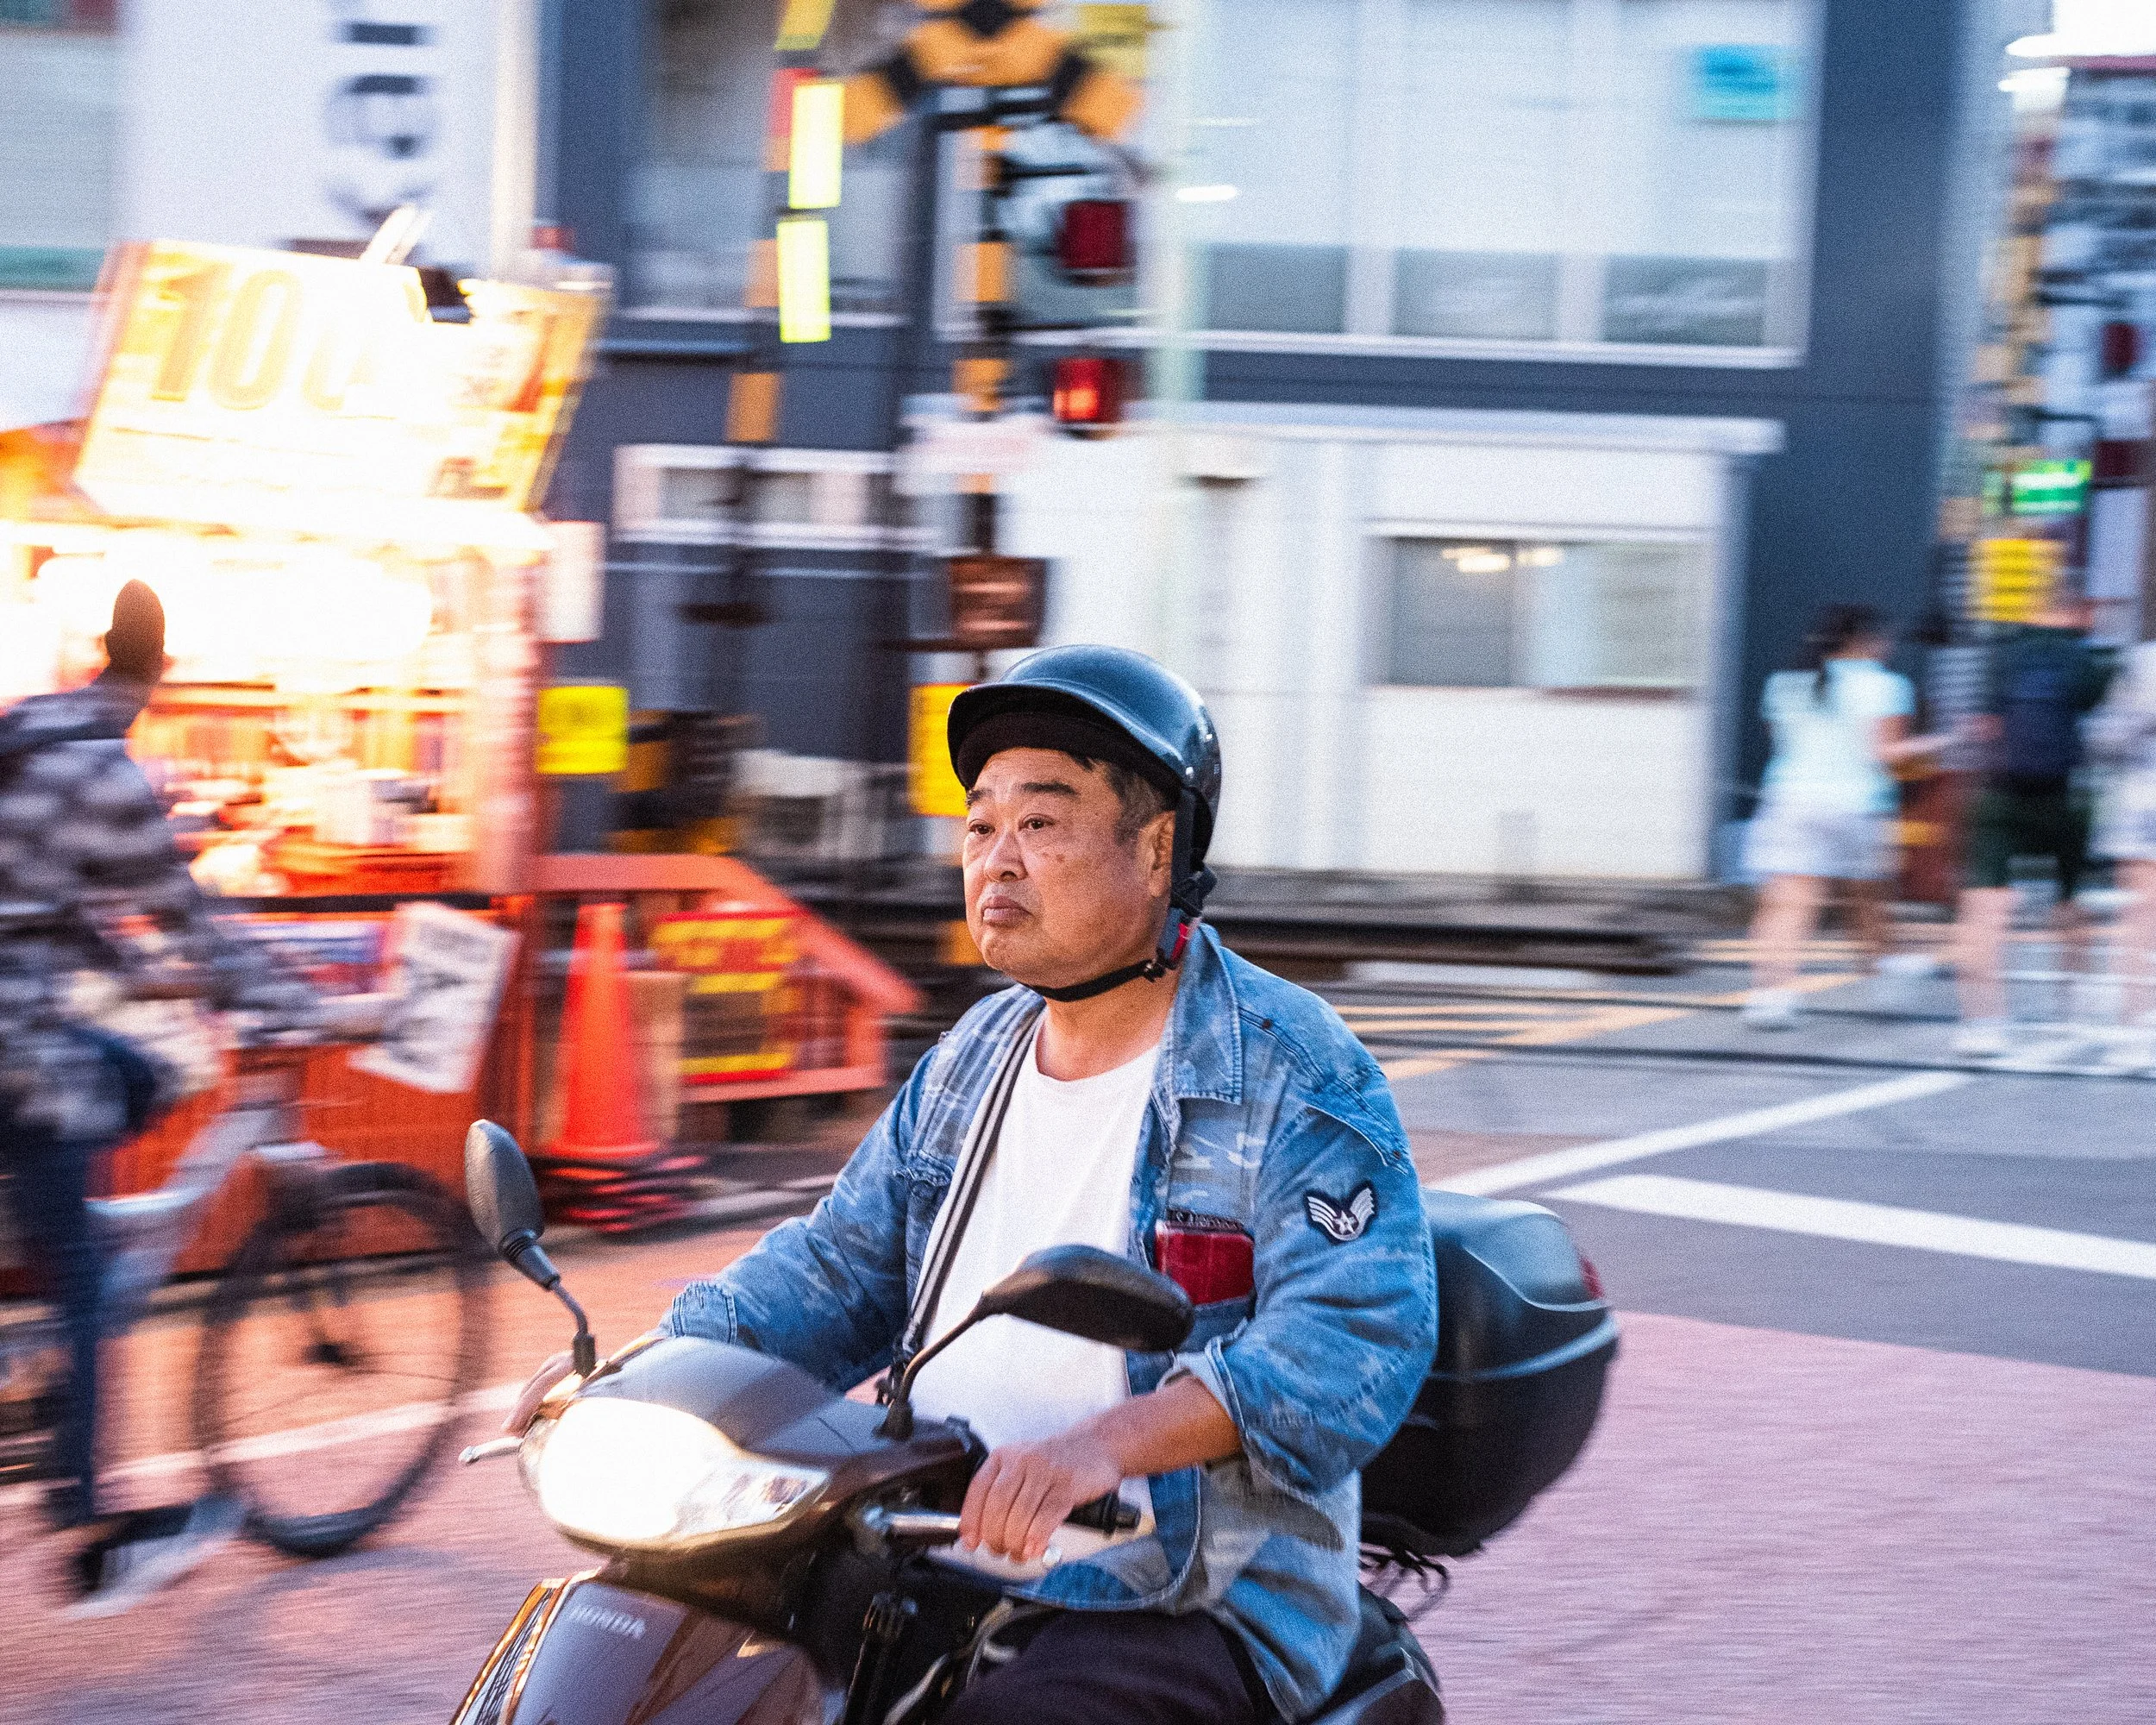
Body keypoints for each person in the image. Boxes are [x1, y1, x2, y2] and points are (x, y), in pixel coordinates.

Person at [506, 645, 1437, 1725]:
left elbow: (1356, 1341)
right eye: (980, 824)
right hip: (915, 1541)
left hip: (1175, 1592)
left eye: (1041, 822)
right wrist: (640, 1372)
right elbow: (835, 1265)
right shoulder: (975, 1052)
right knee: (649, 1646)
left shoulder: (1289, 1065)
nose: (996, 858)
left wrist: (1103, 1444)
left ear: (1155, 849)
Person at [0, 580, 310, 1610]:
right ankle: (91, 1526)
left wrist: (108, 960)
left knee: (129, 1073)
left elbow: (33, 900)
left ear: (98, 654)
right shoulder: (106, 770)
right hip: (14, 1044)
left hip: (25, 1014)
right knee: (83, 1276)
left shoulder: (27, 732)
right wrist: (288, 996)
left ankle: (61, 1239)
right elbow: (187, 920)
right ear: (160, 673)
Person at [1741, 605, 1943, 1029]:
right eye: (1883, 640)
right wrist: (1938, 744)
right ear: (1864, 641)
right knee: (1869, 896)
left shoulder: (1785, 684)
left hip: (1790, 801)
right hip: (1858, 806)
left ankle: (1770, 995)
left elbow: (1782, 746)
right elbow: (1886, 755)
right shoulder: (1887, 686)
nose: (1887, 648)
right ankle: (1883, 968)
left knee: (1788, 903)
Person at [1951, 589, 2117, 1056]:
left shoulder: (2000, 653)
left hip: (1999, 795)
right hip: (2062, 797)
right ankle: (2073, 1011)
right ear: (2071, 611)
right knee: (2069, 900)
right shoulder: (2080, 655)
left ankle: (1982, 1024)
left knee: (1984, 908)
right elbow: (2098, 710)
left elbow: (1981, 727)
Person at [2088, 636, 2156, 1070]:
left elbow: (2105, 740)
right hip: (2143, 803)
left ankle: (2133, 1032)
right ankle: (2135, 1028)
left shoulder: (2142, 661)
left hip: (2141, 801)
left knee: (2139, 919)